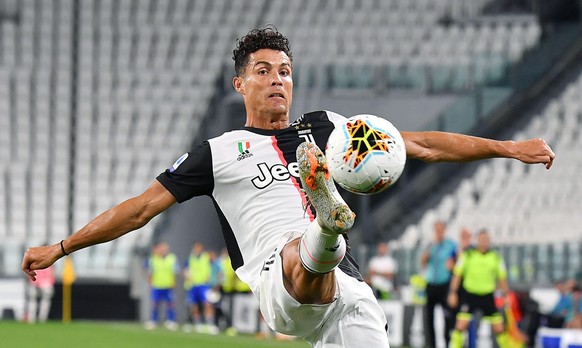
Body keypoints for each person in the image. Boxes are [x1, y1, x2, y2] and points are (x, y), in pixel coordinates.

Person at [22, 26, 555, 347]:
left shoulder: (326, 129)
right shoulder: (219, 152)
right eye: (263, 71)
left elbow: (417, 144)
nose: (277, 79)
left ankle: (328, 228)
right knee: (307, 249)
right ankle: (327, 221)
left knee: (341, 277)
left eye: (285, 70)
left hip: (347, 292)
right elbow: (140, 210)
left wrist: (508, 148)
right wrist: (62, 248)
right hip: (280, 284)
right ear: (241, 84)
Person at [448, 229, 510, 348]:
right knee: (460, 325)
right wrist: (453, 292)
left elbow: (502, 278)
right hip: (470, 295)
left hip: (487, 295)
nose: (484, 242)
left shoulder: (495, 257)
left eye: (486, 239)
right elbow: (457, 274)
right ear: (477, 240)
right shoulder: (468, 254)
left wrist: (505, 295)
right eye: (482, 239)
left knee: (499, 327)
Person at [420, 220, 458, 348]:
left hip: (444, 284)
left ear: (444, 230)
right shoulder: (431, 245)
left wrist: (452, 265)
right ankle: (432, 344)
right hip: (431, 284)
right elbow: (423, 262)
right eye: (436, 230)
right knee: (429, 317)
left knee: (447, 316)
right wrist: (431, 247)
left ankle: (447, 342)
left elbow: (456, 262)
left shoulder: (451, 245)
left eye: (440, 229)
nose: (438, 232)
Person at [183, 242, 218, 334]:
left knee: (207, 304)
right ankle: (197, 323)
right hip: (193, 285)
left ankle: (210, 323)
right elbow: (185, 270)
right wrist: (187, 276)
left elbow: (216, 266)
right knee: (193, 305)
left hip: (204, 285)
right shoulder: (190, 258)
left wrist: (211, 279)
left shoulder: (206, 257)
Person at [144, 242, 179, 330]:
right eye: (162, 249)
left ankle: (171, 320)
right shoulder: (153, 259)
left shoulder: (172, 258)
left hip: (168, 285)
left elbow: (175, 272)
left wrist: (174, 282)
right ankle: (154, 320)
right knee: (155, 304)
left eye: (165, 249)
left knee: (170, 304)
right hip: (157, 285)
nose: (163, 251)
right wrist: (150, 282)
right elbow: (149, 271)